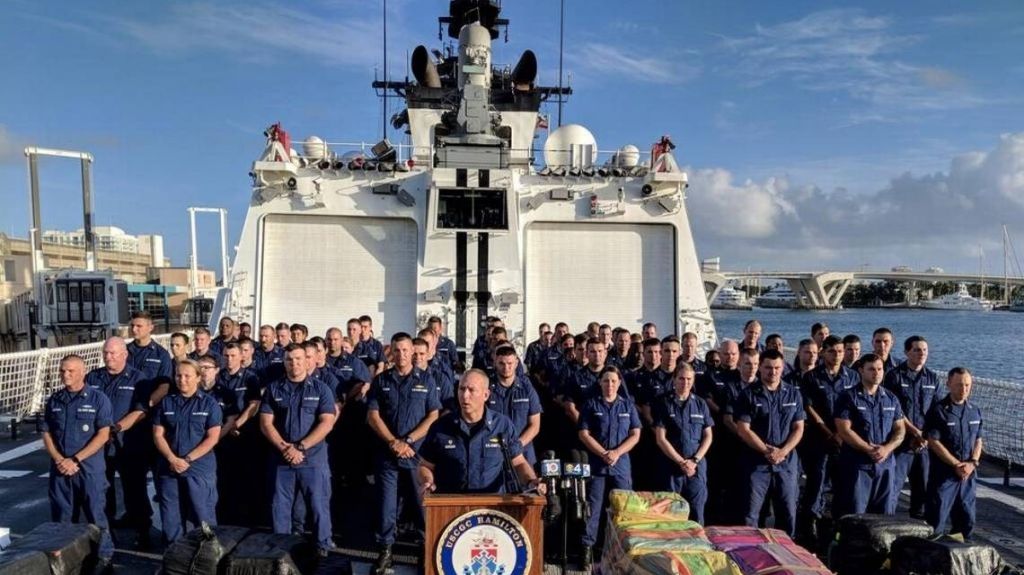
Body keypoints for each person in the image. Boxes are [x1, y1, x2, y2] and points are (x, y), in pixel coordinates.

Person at [366, 333, 441, 574]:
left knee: (420, 505)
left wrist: (408, 441)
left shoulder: (427, 380)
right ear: (391, 352)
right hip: (388, 454)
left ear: (413, 352)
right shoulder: (381, 381)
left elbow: (433, 415)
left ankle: (425, 550)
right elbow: (373, 415)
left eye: (406, 350)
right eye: (397, 350)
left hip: (416, 455)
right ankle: (386, 551)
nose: (402, 355)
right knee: (386, 506)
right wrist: (392, 442)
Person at [259, 344, 337, 556]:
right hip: (282, 459)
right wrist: (285, 447)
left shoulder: (321, 389)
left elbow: (327, 423)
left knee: (319, 506)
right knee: (280, 507)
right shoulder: (274, 389)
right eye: (289, 359)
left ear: (307, 360)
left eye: (298, 359)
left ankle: (322, 547)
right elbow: (266, 423)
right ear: (284, 362)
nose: (294, 363)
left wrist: (301, 447)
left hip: (312, 459)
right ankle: (280, 551)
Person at [42, 355, 115, 571]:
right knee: (62, 519)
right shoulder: (55, 400)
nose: (65, 374)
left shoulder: (98, 399)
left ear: (83, 372)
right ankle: (65, 562)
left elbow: (103, 435)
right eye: (62, 370)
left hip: (89, 469)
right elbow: (46, 433)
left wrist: (75, 459)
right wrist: (60, 460)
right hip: (61, 470)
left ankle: (104, 559)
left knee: (96, 517)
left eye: (71, 371)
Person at [418, 370, 545, 495]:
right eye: (462, 389)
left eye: (471, 390)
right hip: (450, 503)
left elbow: (518, 462)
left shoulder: (502, 425)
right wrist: (427, 481)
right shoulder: (441, 426)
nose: (465, 395)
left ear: (486, 395)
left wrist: (531, 481)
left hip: (491, 504)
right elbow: (425, 465)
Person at [86, 338, 154, 546]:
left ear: (125, 354)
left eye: (113, 353)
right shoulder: (93, 377)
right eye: (105, 353)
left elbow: (141, 411)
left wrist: (116, 428)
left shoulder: (138, 379)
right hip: (100, 446)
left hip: (128, 444)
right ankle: (106, 533)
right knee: (102, 491)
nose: (108, 357)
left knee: (135, 490)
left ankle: (142, 531)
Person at [733, 349, 805, 536]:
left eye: (777, 368)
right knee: (751, 513)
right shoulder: (748, 394)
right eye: (768, 368)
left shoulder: (793, 394)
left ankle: (786, 549)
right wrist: (767, 451)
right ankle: (750, 549)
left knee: (788, 511)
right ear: (760, 368)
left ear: (783, 368)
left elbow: (798, 428)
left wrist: (783, 452)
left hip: (786, 463)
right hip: (756, 462)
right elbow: (743, 429)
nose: (773, 372)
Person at [578, 366, 642, 570]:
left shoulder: (627, 405)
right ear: (600, 382)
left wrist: (616, 453)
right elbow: (584, 433)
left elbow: (635, 434)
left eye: (614, 381)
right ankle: (587, 551)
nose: (610, 384)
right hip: (597, 464)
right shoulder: (591, 404)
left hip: (620, 464)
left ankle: (623, 550)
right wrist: (603, 453)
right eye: (606, 381)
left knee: (623, 509)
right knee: (593, 508)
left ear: (619, 383)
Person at [153, 359, 223, 543]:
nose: (182, 380)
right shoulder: (166, 403)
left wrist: (188, 459)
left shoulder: (209, 404)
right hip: (169, 468)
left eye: (187, 376)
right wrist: (172, 459)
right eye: (178, 375)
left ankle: (208, 552)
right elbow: (158, 435)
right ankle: (174, 553)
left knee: (203, 515)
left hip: (199, 469)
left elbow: (213, 438)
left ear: (198, 377)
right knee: (171, 517)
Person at [797, 335, 859, 540]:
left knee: (843, 485)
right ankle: (810, 527)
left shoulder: (852, 377)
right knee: (817, 484)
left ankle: (836, 526)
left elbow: (856, 406)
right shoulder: (811, 377)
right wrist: (828, 432)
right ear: (823, 352)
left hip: (845, 440)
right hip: (819, 439)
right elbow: (809, 407)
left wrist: (843, 433)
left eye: (840, 351)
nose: (837, 355)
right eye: (832, 351)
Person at [833, 354, 906, 518]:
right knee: (855, 512)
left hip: (885, 465)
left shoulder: (891, 398)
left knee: (884, 515)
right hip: (858, 465)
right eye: (871, 369)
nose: (876, 373)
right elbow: (844, 429)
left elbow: (900, 430)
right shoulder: (848, 397)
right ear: (861, 370)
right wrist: (868, 449)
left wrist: (887, 448)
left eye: (879, 369)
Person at [884, 335, 940, 519]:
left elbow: (937, 411)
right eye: (916, 350)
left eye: (924, 350)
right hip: (901, 443)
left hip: (923, 445)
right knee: (893, 487)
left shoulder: (932, 378)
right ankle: (888, 523)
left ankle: (918, 525)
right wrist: (914, 432)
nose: (921, 353)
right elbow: (894, 409)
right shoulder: (894, 376)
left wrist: (926, 435)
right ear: (907, 352)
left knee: (923, 490)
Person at [925, 368, 983, 539]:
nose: (963, 389)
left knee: (967, 520)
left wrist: (973, 463)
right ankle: (932, 552)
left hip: (967, 475)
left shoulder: (974, 411)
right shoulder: (938, 410)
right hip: (944, 474)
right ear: (949, 384)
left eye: (967, 385)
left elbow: (978, 440)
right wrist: (956, 464)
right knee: (936, 520)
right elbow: (934, 441)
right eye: (959, 385)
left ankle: (958, 550)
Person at [653, 363, 714, 524]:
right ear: (674, 380)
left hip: (696, 467)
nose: (685, 382)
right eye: (681, 378)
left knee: (696, 511)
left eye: (689, 379)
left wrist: (694, 461)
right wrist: (681, 462)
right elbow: (660, 438)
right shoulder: (663, 402)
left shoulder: (700, 403)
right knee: (671, 512)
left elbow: (708, 436)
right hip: (671, 466)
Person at [487, 346, 543, 465]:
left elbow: (535, 425)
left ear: (517, 363)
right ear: (495, 363)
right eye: (501, 363)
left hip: (523, 453)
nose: (506, 368)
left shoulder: (527, 389)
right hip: (493, 454)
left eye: (510, 363)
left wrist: (516, 446)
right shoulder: (486, 389)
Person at [126, 311, 173, 404]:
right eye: (132, 326)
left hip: (148, 405)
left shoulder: (161, 354)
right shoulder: (123, 352)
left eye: (139, 326)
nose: (134, 329)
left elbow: (164, 387)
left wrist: (146, 405)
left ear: (150, 328)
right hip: (126, 403)